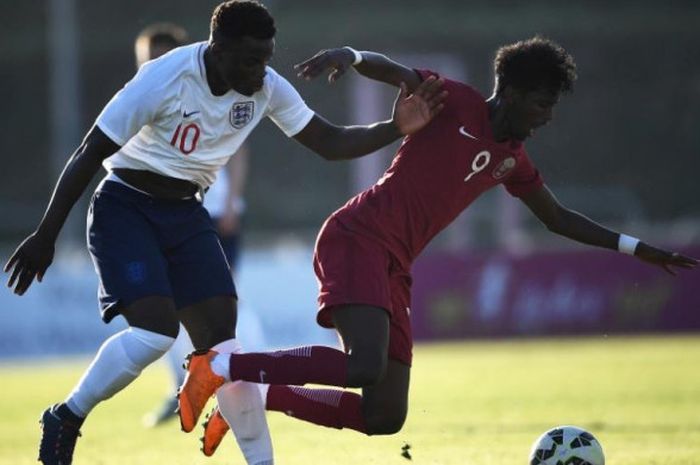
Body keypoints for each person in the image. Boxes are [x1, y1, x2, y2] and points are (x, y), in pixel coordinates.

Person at [177, 37, 699, 457]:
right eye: (543, 103)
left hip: (395, 263)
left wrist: (637, 249)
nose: (548, 116)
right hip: (357, 238)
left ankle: (259, 392)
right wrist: (352, 56)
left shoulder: (511, 158)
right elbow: (396, 71)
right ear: (512, 93)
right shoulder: (457, 101)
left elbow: (557, 217)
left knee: (384, 417)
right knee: (363, 366)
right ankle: (219, 368)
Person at [2, 1, 446, 464]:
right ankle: (67, 416)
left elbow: (329, 142)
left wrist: (395, 127)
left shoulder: (266, 86)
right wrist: (45, 234)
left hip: (186, 211)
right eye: (250, 60)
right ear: (217, 49)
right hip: (125, 207)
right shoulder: (164, 77)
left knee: (224, 352)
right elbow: (90, 152)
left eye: (266, 58)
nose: (260, 71)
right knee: (155, 335)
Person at [134, 22, 253, 429]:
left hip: (213, 214)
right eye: (149, 58)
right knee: (168, 309)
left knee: (223, 304)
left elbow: (238, 150)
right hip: (171, 213)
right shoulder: (140, 98)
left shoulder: (201, 91)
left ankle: (246, 380)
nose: (154, 65)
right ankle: (184, 388)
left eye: (162, 56)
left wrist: (233, 202)